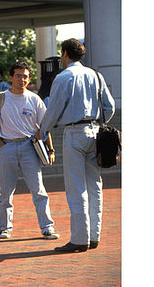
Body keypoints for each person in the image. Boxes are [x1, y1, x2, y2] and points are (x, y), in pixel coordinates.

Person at [36, 38, 115, 253]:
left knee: (76, 187)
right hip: (95, 131)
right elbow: (110, 106)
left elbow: (53, 109)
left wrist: (43, 131)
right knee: (94, 186)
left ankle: (80, 239)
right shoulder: (96, 75)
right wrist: (100, 123)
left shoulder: (64, 77)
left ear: (64, 54)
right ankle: (93, 236)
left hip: (74, 132)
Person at [0, 61, 60, 240]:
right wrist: (0, 144)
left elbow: (44, 127)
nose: (22, 79)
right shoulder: (0, 97)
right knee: (5, 192)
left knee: (39, 190)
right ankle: (5, 228)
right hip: (7, 148)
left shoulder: (34, 99)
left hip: (29, 147)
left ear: (29, 79)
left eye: (25, 76)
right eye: (18, 76)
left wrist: (50, 149)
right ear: (10, 78)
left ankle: (47, 227)